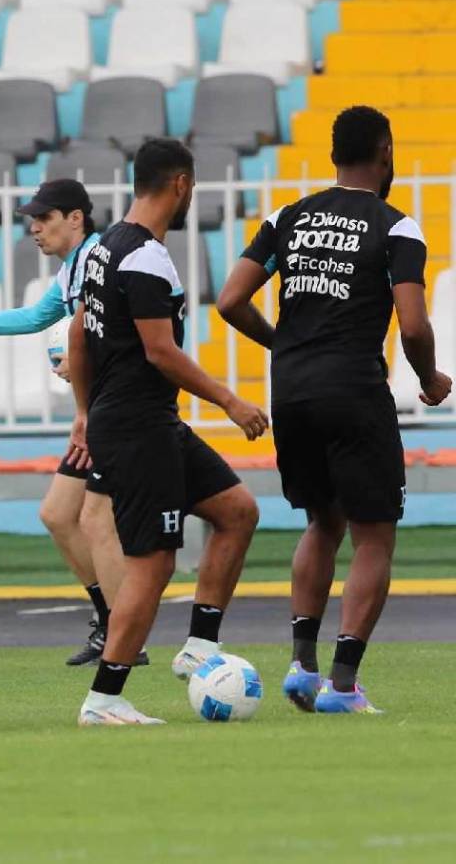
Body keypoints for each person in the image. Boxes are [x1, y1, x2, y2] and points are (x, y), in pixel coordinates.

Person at [217, 106, 452, 714]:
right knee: (374, 536)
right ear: (386, 153)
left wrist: (284, 345)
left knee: (324, 522)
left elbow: (230, 299)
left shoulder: (287, 218)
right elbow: (415, 322)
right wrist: (429, 378)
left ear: (331, 156)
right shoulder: (397, 228)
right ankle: (343, 687)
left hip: (290, 391)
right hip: (352, 390)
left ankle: (301, 665)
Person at [68, 138, 267, 726]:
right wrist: (230, 399)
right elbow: (160, 352)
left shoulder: (102, 248)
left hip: (139, 420)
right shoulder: (147, 258)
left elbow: (79, 337)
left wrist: (85, 412)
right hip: (139, 427)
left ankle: (200, 648)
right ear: (181, 185)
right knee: (152, 564)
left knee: (237, 510)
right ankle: (104, 699)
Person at [0, 179, 145, 667]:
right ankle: (112, 624)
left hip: (119, 411)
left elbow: (130, 327)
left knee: (93, 519)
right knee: (59, 515)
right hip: (97, 409)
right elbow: (37, 316)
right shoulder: (74, 270)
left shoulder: (100, 259)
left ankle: (126, 637)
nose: (35, 229)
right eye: (32, 221)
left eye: (43, 219)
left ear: (75, 219)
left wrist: (84, 363)